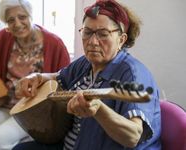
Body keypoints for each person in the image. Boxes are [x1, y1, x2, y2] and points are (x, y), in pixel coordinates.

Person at [12, 0, 161, 150]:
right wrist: (37, 77)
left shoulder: (133, 75)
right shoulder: (85, 63)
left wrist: (98, 110)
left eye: (103, 34)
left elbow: (133, 136)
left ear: (121, 40)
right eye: (87, 32)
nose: (93, 42)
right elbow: (59, 77)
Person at [0, 0, 70, 149]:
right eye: (11, 20)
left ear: (30, 16)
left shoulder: (55, 44)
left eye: (22, 17)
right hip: (4, 106)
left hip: (31, 113)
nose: (17, 23)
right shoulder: (4, 38)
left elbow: (67, 78)